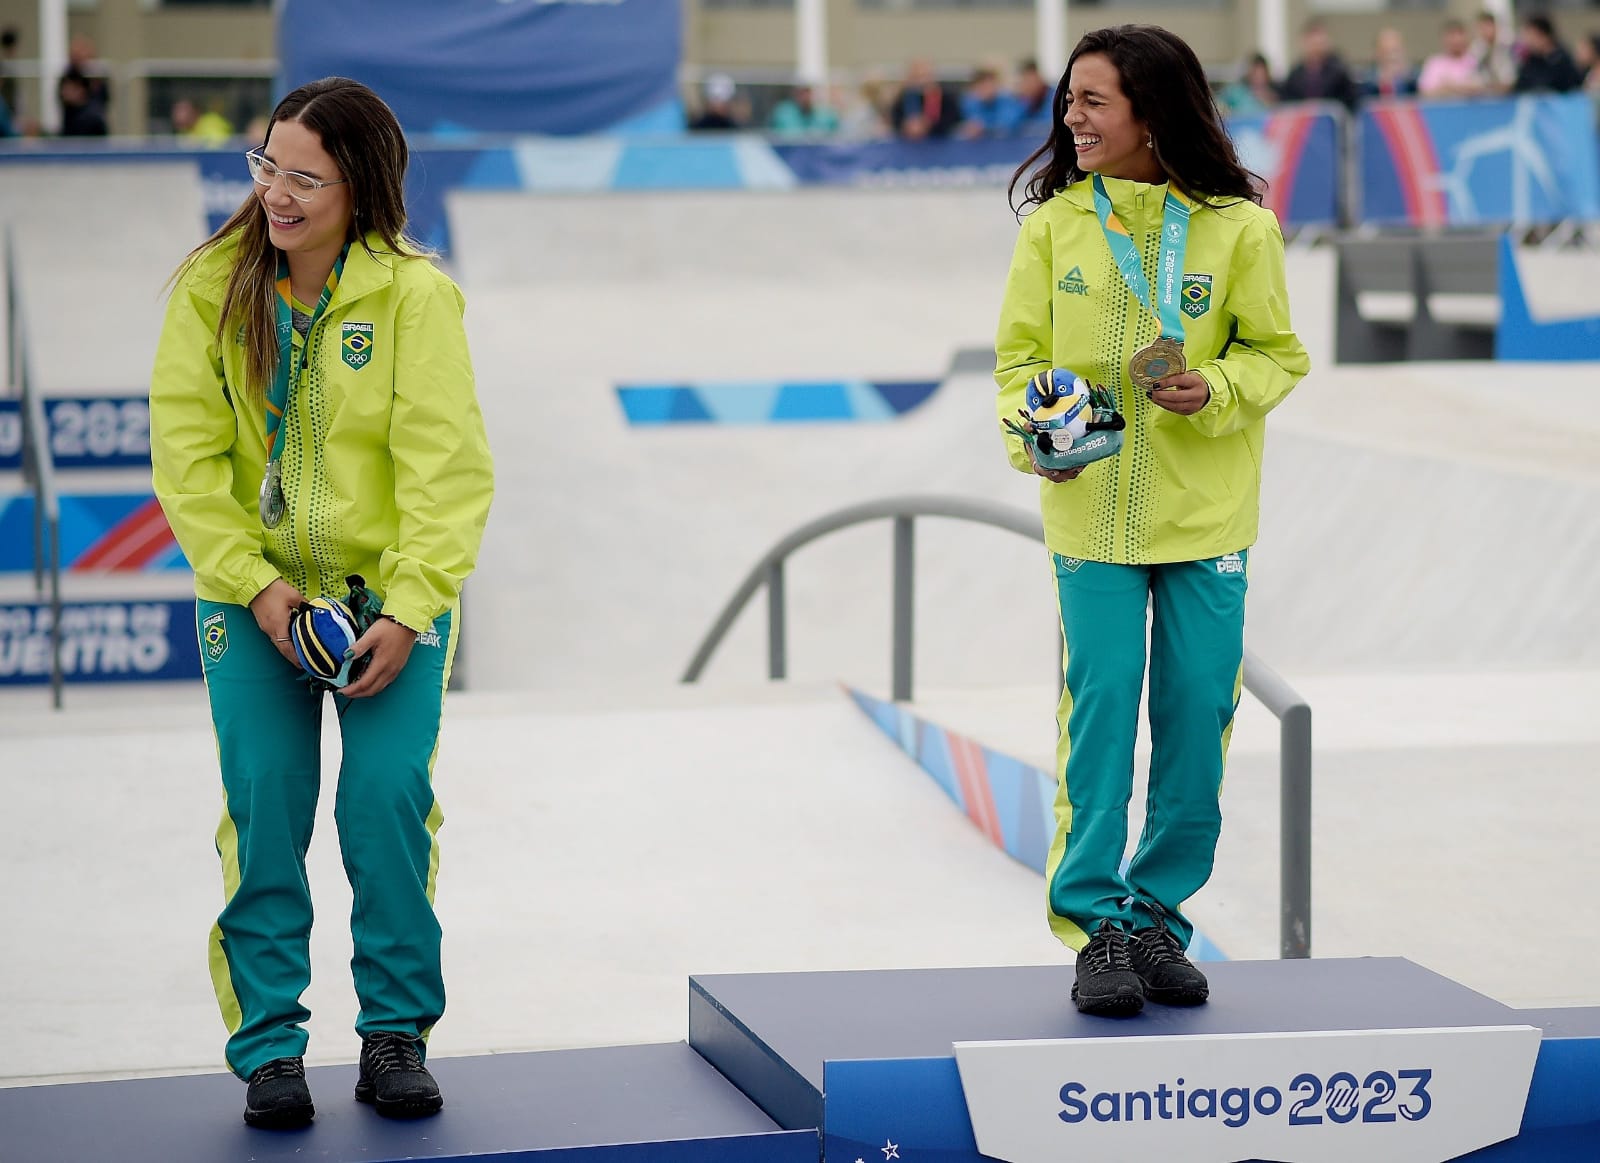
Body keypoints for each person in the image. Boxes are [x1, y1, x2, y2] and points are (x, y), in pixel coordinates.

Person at [149, 77, 494, 1129]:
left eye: (305, 176)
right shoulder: (213, 284)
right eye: (267, 167)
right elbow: (187, 457)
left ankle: (394, 1032)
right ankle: (270, 1049)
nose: (278, 194)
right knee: (265, 810)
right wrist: (257, 588)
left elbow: (448, 469)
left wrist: (411, 605)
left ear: (360, 186)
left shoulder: (413, 296)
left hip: (387, 603)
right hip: (249, 595)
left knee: (383, 803)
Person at [995, 24, 1309, 1017]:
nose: (1071, 119)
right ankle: (1094, 926)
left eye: (1093, 101)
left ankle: (1154, 918)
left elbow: (1278, 355)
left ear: (1150, 111)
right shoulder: (1053, 226)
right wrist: (1039, 431)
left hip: (1206, 519)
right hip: (1090, 518)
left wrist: (1213, 386)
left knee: (1192, 724)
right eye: (1069, 101)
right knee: (1097, 724)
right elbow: (1016, 364)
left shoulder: (1239, 227)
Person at [1279, 18, 1359, 110]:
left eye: (1319, 42)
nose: (1316, 47)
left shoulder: (1339, 73)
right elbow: (1286, 102)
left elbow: (1350, 100)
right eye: (1312, 42)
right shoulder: (1295, 75)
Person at [1418, 20, 1492, 100]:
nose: (1456, 39)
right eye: (1452, 35)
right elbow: (1425, 92)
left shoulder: (1476, 60)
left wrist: (1450, 86)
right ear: (1443, 38)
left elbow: (1484, 88)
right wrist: (1461, 88)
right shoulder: (1434, 63)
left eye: (1460, 34)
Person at [891, 58, 962, 140]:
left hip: (938, 142)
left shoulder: (945, 98)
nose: (921, 80)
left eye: (924, 75)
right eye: (916, 76)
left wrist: (928, 126)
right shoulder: (903, 97)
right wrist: (905, 126)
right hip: (908, 143)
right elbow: (896, 119)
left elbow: (953, 120)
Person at [1514, 14, 1583, 94]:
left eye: (1531, 36)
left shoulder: (1563, 61)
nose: (1528, 41)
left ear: (1544, 35)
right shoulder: (1531, 60)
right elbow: (1521, 85)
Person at [58, 34, 109, 136]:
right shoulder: (67, 76)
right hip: (73, 130)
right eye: (76, 55)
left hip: (95, 131)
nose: (80, 58)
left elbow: (104, 99)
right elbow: (65, 97)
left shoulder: (97, 75)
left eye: (83, 54)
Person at [1361, 27, 1418, 100]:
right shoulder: (1366, 81)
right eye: (1386, 51)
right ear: (1376, 53)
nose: (1392, 56)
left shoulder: (1414, 80)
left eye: (1396, 51)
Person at [1471, 10, 1515, 94]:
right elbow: (1477, 76)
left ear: (1495, 26)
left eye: (1487, 26)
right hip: (1487, 93)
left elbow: (1509, 77)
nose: (1485, 31)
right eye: (1481, 28)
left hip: (1509, 92)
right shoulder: (1477, 49)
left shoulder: (1508, 43)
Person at [769, 84, 840, 136]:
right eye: (802, 93)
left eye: (807, 92)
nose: (805, 97)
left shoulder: (827, 114)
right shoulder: (782, 113)